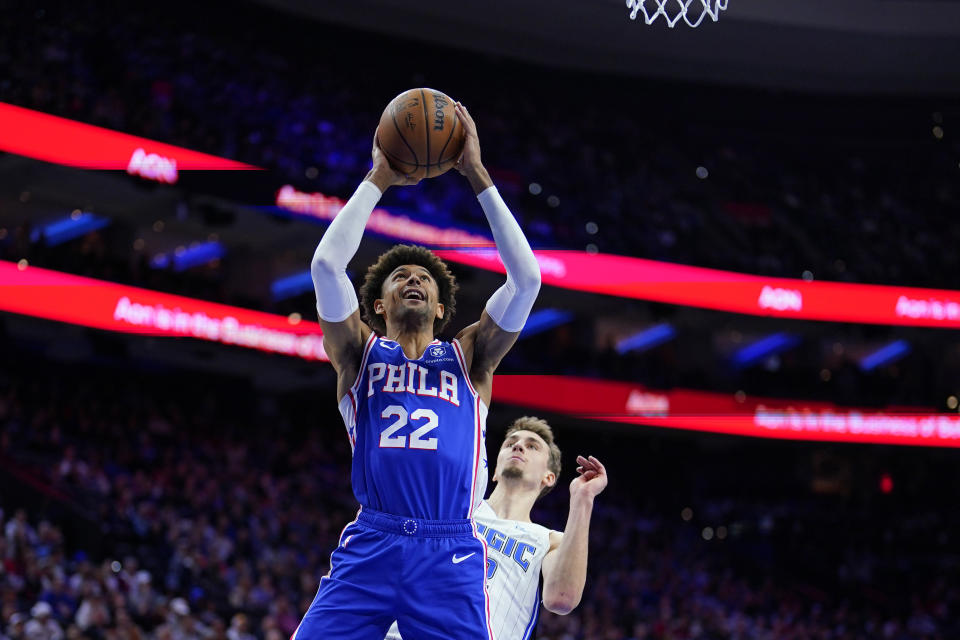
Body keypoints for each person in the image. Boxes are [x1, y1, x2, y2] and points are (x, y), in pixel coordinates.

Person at [293, 102, 541, 640]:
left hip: (449, 548)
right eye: (400, 276)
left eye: (425, 279)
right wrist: (378, 177)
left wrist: (477, 174)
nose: (415, 280)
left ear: (439, 308)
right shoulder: (359, 355)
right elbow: (324, 266)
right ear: (377, 307)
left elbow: (526, 281)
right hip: (372, 545)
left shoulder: (470, 357)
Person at [385, 416, 607, 640]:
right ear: (495, 470)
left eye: (532, 446)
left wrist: (583, 499)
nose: (518, 446)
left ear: (548, 477)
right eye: (510, 443)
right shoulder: (452, 505)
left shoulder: (549, 541)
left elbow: (561, 598)